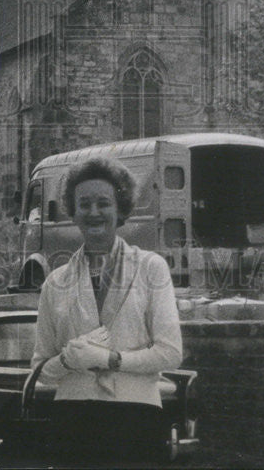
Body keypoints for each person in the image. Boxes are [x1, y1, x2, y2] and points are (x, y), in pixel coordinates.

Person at [32, 156, 183, 467]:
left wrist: (110, 359)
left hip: (136, 418)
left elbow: (170, 353)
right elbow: (41, 370)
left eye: (103, 203)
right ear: (73, 212)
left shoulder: (150, 268)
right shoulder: (55, 282)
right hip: (72, 421)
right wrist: (65, 360)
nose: (94, 212)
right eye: (83, 204)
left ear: (120, 209)